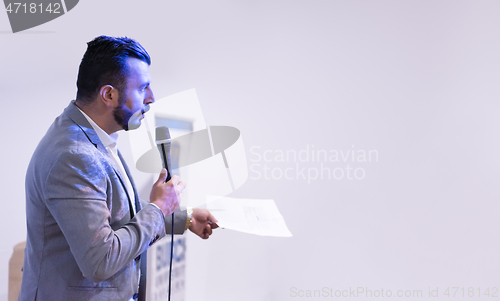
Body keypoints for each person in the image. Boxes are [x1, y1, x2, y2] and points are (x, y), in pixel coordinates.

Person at [19, 36, 218, 301]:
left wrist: (186, 218)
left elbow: (115, 221)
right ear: (109, 94)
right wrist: (158, 209)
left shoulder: (90, 135)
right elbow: (101, 260)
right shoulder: (74, 156)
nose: (151, 98)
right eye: (142, 88)